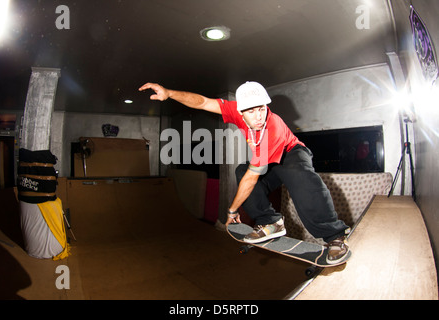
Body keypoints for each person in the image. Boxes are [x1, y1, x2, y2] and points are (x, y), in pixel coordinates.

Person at [139, 81, 350, 263]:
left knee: (298, 175)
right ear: (239, 111)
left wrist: (232, 211)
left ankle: (334, 235)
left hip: (292, 152)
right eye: (251, 111)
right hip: (270, 162)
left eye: (262, 109)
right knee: (242, 169)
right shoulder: (234, 109)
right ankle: (271, 222)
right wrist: (169, 93)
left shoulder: (272, 126)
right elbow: (203, 102)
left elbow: (252, 177)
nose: (259, 116)